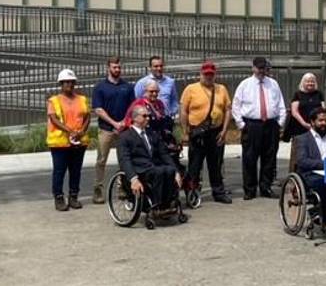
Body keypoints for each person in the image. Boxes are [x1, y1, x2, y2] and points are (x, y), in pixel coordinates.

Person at [232, 57, 286, 200]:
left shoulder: (273, 84)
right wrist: (241, 125)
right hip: (252, 125)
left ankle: (265, 187)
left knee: (269, 157)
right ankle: (250, 189)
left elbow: (281, 103)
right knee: (249, 158)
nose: (261, 71)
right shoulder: (245, 85)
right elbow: (236, 106)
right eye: (259, 68)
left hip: (270, 124)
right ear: (253, 68)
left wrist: (280, 123)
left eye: (264, 68)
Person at [180, 61, 232, 204]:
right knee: (195, 165)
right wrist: (185, 132)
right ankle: (192, 193)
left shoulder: (221, 89)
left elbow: (228, 109)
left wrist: (224, 130)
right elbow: (183, 111)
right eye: (206, 74)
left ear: (215, 75)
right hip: (197, 133)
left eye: (211, 74)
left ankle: (218, 192)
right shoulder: (191, 89)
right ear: (200, 74)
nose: (208, 77)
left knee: (216, 164)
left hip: (216, 132)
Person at [117, 106, 182, 214]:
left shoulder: (153, 134)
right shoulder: (125, 137)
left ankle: (167, 203)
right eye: (145, 116)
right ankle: (157, 205)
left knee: (169, 170)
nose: (148, 118)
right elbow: (124, 159)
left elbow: (164, 154)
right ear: (135, 118)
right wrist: (133, 179)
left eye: (149, 116)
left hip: (153, 166)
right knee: (159, 172)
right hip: (139, 169)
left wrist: (176, 171)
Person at [91, 56, 134, 204]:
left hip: (123, 130)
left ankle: (122, 187)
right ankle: (98, 190)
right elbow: (98, 109)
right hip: (106, 130)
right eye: (114, 67)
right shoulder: (100, 87)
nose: (117, 70)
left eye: (119, 67)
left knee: (124, 160)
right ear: (108, 68)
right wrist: (114, 123)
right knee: (101, 160)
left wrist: (123, 123)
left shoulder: (127, 87)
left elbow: (132, 108)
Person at [46, 69, 90, 211]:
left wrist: (82, 130)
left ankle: (73, 196)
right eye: (66, 82)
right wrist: (70, 131)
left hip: (78, 141)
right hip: (60, 143)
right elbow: (53, 118)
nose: (69, 85)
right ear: (61, 83)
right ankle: (58, 197)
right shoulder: (54, 101)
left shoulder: (82, 99)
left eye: (71, 82)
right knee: (59, 171)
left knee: (76, 170)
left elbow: (87, 116)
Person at [285, 72, 325, 172]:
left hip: (315, 127)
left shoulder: (319, 94)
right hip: (299, 127)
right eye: (308, 81)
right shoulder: (298, 94)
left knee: (314, 150)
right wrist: (304, 123)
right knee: (297, 152)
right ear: (303, 82)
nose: (310, 83)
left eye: (312, 81)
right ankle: (293, 174)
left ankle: (312, 172)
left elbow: (323, 109)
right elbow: (294, 111)